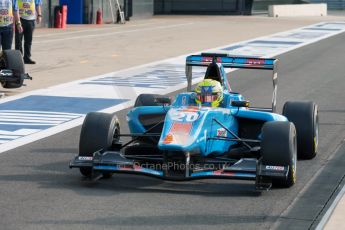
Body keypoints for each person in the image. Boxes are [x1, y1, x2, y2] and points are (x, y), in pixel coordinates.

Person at [15, 0, 42, 64]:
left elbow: (37, 4)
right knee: (18, 40)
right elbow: (13, 6)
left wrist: (39, 15)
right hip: (20, 19)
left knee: (28, 41)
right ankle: (19, 58)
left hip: (31, 20)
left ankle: (27, 58)